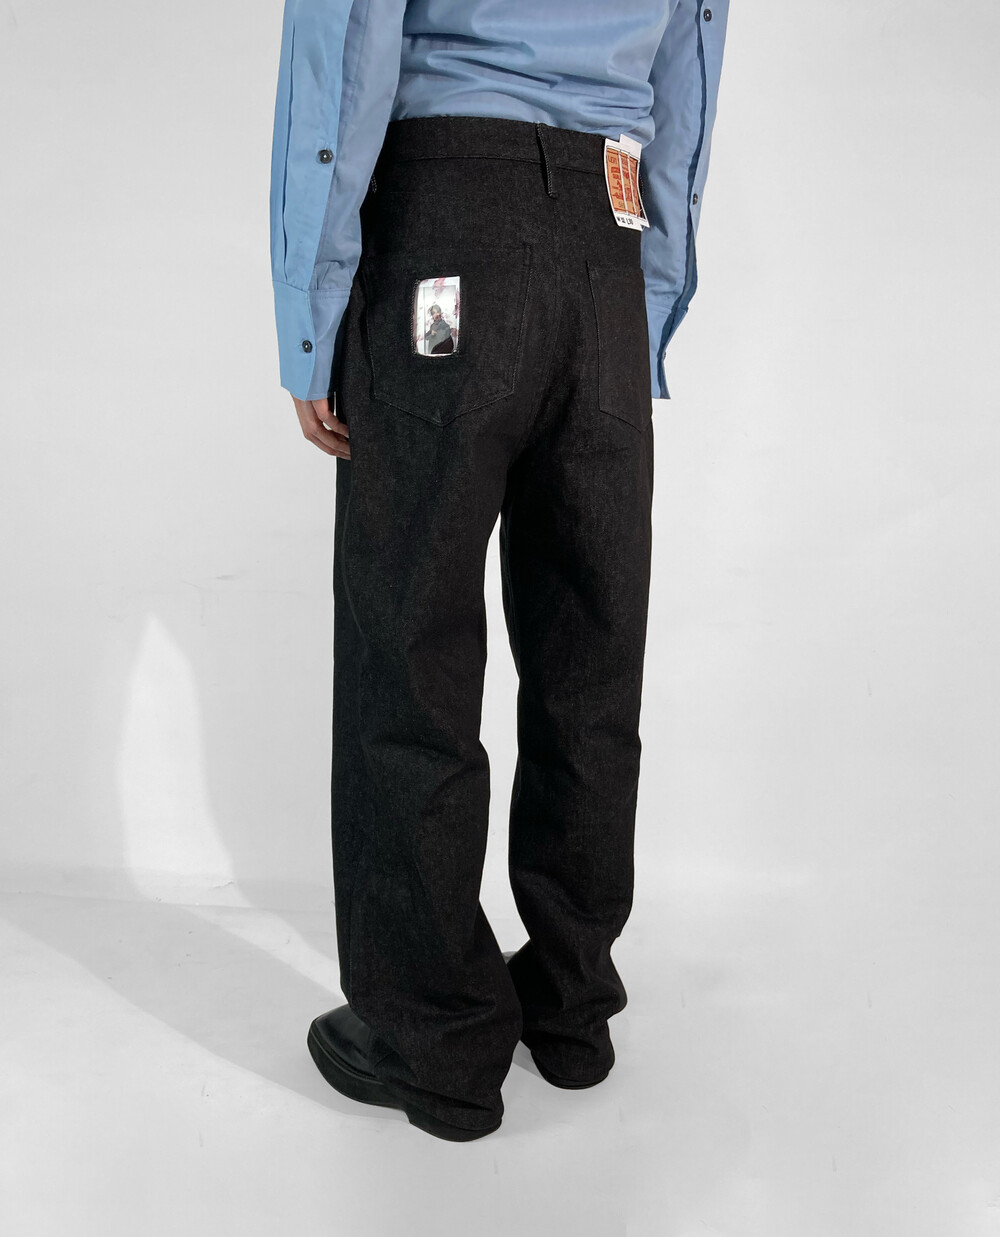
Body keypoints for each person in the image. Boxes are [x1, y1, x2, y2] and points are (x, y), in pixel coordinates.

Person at [269, 0, 729, 1142]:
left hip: (449, 225)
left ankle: (434, 1039)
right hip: (608, 241)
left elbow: (349, 37)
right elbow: (691, 52)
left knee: (409, 641)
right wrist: (644, 299)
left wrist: (312, 306)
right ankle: (570, 1004)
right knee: (590, 650)